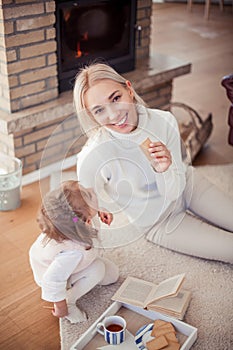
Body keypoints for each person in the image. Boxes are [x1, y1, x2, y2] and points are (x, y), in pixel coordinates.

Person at [73, 62, 233, 264]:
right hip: (159, 223)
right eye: (99, 110)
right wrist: (95, 213)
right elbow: (82, 211)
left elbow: (174, 191)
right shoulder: (92, 156)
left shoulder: (164, 121)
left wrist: (165, 170)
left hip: (188, 186)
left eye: (116, 98)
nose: (114, 115)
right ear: (91, 116)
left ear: (129, 89)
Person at [29, 180, 119, 323]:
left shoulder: (76, 221)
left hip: (73, 263)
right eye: (89, 195)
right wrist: (61, 306)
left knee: (112, 275)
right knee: (98, 270)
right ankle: (70, 300)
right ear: (86, 221)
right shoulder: (71, 252)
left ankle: (83, 276)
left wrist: (99, 210)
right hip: (55, 273)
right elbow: (51, 280)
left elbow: (83, 213)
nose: (91, 189)